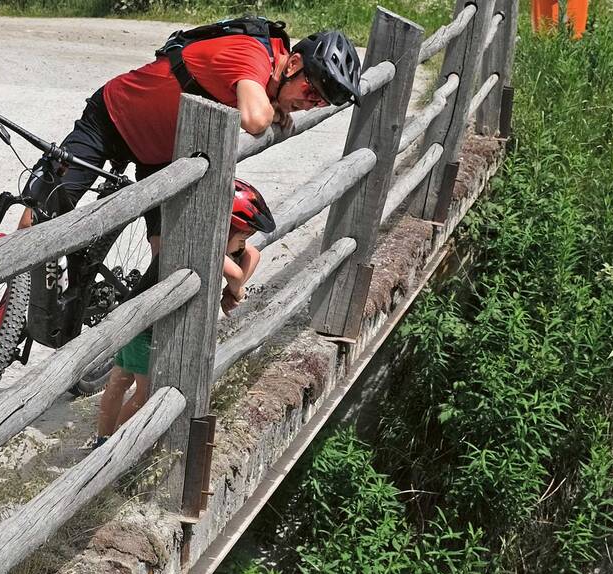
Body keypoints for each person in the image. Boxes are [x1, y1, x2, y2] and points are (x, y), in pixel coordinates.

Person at [20, 23, 361, 245]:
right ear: (293, 64)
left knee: (168, 258)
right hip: (111, 119)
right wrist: (276, 106)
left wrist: (279, 101)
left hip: (161, 156)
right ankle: (12, 299)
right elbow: (256, 120)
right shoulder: (252, 54)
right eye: (312, 90)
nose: (311, 102)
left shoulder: (272, 75)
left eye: (321, 102)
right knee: (37, 221)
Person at [95, 178, 274, 444]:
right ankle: (113, 447)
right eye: (242, 238)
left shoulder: (212, 238)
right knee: (144, 393)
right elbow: (236, 274)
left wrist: (229, 290)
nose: (243, 245)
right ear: (225, 229)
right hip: (145, 324)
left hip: (141, 316)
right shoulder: (200, 242)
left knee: (118, 382)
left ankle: (103, 441)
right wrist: (234, 291)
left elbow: (253, 255)